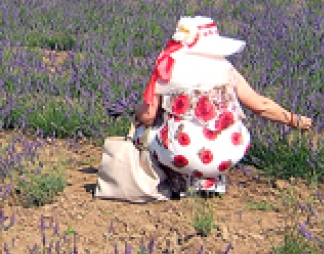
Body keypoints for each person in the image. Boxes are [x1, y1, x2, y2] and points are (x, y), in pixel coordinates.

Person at [133, 15, 312, 196]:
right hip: (229, 152)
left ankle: (176, 178)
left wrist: (136, 114)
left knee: (142, 131)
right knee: (215, 131)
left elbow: (147, 116)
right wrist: (294, 120)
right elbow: (260, 105)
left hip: (183, 154)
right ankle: (211, 179)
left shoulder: (168, 66)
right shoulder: (226, 69)